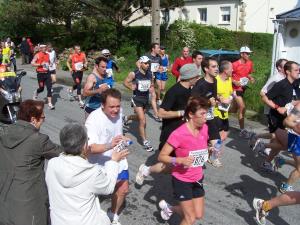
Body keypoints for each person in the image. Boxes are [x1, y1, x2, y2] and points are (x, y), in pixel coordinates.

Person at [46, 123, 128, 225]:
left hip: (59, 220)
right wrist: (114, 161)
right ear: (84, 145)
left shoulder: (52, 163)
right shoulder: (91, 171)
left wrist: (84, 155)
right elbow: (108, 187)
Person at [135, 63, 200, 185]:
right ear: (190, 77)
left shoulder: (190, 90)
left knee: (184, 163)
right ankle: (146, 170)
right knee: (170, 166)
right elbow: (160, 113)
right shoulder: (174, 91)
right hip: (171, 133)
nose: (198, 78)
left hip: (184, 133)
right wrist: (181, 113)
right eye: (196, 76)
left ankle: (187, 184)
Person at [0, 100, 61, 225]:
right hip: (29, 207)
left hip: (5, 202)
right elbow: (63, 153)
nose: (44, 120)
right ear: (33, 119)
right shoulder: (38, 140)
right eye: (43, 117)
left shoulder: (4, 133)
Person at [158, 96, 209, 224]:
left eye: (206, 113)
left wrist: (210, 150)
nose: (206, 117)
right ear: (191, 114)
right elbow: (161, 156)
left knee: (198, 214)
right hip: (182, 180)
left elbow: (200, 147)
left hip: (197, 177)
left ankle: (170, 208)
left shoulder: (205, 128)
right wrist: (179, 160)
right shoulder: (178, 134)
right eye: (202, 113)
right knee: (190, 218)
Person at [85, 89, 130, 225]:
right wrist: (111, 144)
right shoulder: (93, 119)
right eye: (112, 107)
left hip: (117, 157)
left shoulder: (119, 112)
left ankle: (113, 215)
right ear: (102, 105)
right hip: (98, 164)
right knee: (92, 196)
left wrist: (124, 140)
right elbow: (90, 148)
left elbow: (117, 133)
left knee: (123, 188)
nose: (116, 110)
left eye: (118, 106)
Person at [253, 61, 300, 173]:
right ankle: (263, 146)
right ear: (288, 71)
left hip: (286, 117)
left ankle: (266, 159)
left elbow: (292, 101)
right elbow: (264, 97)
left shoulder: (295, 83)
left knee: (281, 143)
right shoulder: (281, 84)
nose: (299, 72)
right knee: (285, 144)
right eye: (296, 70)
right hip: (276, 118)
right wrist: (277, 107)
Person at [248, 58, 288, 156]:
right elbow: (262, 92)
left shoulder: (286, 78)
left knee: (277, 132)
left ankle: (260, 141)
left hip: (282, 111)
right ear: (279, 67)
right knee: (276, 132)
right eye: (285, 66)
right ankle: (265, 147)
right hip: (272, 110)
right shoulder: (275, 78)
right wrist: (273, 105)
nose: (288, 67)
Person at [192, 57, 222, 167]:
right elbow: (193, 103)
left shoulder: (215, 81)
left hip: (210, 116)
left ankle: (212, 157)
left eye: (217, 66)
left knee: (218, 143)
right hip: (198, 119)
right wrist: (208, 103)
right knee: (196, 145)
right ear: (206, 69)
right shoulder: (200, 84)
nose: (217, 69)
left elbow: (212, 97)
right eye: (213, 66)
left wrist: (218, 100)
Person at [124, 56, 155, 151]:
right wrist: (130, 87)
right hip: (137, 98)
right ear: (141, 63)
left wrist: (152, 88)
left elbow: (152, 84)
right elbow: (125, 82)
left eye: (148, 63)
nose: (148, 65)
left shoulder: (150, 74)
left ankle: (127, 118)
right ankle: (145, 141)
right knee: (143, 120)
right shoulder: (134, 73)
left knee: (138, 118)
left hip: (146, 99)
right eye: (145, 63)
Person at [275, 101, 300, 193]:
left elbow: (294, 102)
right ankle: (286, 186)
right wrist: (296, 126)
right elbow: (287, 121)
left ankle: (282, 161)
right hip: (297, 140)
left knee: (299, 164)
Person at [231, 46, 255, 138]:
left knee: (234, 109)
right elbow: (228, 75)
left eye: (249, 53)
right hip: (235, 88)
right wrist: (234, 81)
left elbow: (248, 73)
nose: (249, 55)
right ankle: (242, 130)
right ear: (242, 54)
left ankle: (222, 110)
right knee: (242, 107)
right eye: (247, 53)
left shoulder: (250, 63)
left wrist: (251, 78)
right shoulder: (235, 64)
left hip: (243, 88)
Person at [136, 43, 161, 120]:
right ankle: (128, 117)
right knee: (140, 114)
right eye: (158, 48)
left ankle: (156, 114)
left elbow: (157, 67)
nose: (159, 49)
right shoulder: (147, 56)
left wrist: (159, 69)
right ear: (153, 49)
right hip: (144, 78)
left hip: (152, 78)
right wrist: (143, 71)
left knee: (153, 95)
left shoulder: (159, 57)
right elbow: (137, 63)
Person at [214, 60, 234, 141]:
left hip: (225, 112)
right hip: (215, 112)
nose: (232, 70)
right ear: (225, 70)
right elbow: (210, 93)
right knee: (217, 137)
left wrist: (231, 97)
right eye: (231, 68)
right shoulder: (215, 80)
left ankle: (212, 150)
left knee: (224, 135)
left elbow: (231, 92)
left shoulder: (229, 79)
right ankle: (210, 151)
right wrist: (220, 99)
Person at [31, 44, 55, 109]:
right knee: (41, 88)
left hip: (47, 73)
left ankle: (50, 103)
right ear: (41, 49)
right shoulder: (37, 55)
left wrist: (51, 64)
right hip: (40, 74)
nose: (45, 49)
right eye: (44, 48)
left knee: (49, 88)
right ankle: (36, 92)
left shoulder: (48, 55)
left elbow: (49, 62)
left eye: (45, 48)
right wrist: (40, 64)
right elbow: (32, 63)